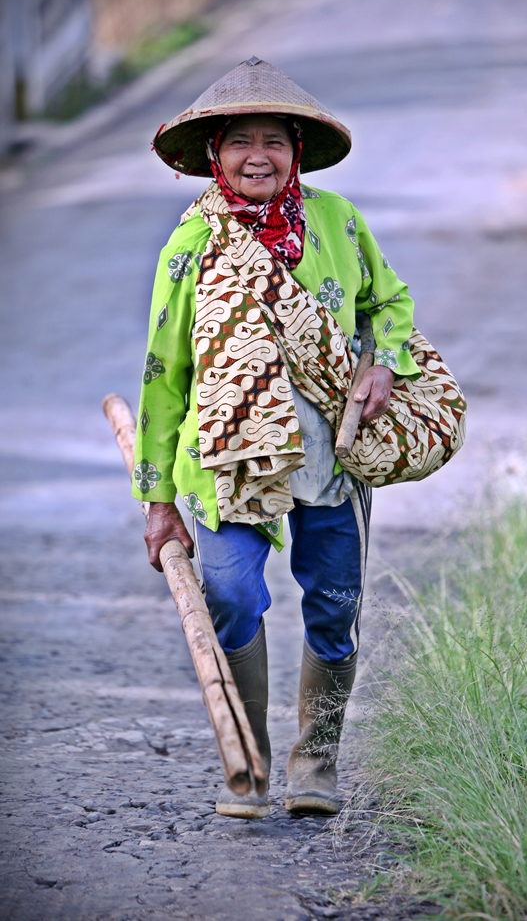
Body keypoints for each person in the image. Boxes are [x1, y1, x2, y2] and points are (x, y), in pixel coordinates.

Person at [132, 57, 466, 819]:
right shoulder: (188, 247)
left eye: (274, 140)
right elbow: (163, 373)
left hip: (333, 453)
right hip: (226, 462)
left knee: (335, 603)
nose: (258, 155)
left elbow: (390, 303)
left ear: (296, 150)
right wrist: (157, 501)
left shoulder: (339, 221)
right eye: (240, 140)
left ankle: (315, 764)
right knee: (229, 594)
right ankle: (245, 762)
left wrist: (384, 362)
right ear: (213, 154)